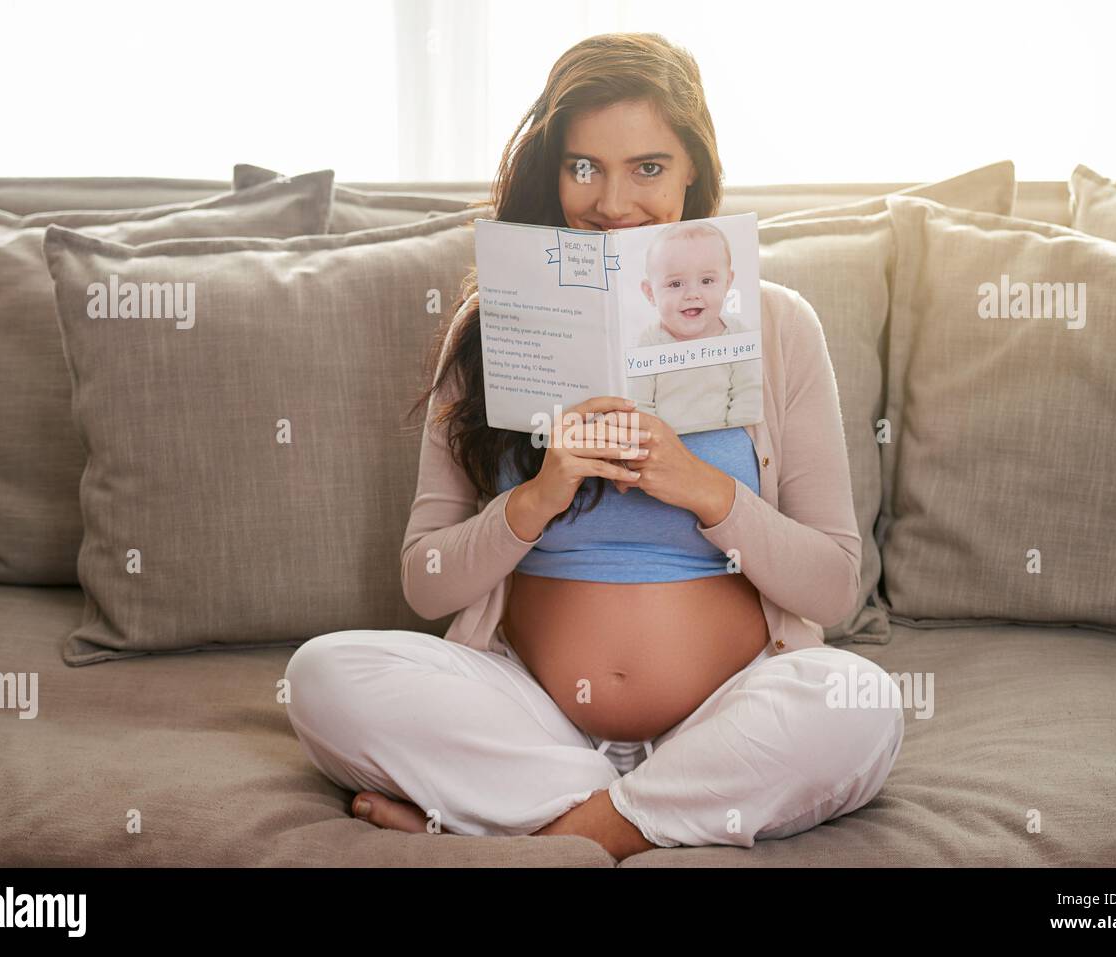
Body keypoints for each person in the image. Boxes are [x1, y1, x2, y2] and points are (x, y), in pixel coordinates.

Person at [283, 31, 904, 863]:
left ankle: (555, 829)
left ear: (694, 171)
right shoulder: (487, 328)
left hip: (726, 711)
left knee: (858, 701)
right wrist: (536, 498)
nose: (613, 202)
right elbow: (425, 582)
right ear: (555, 171)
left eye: (648, 166)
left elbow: (830, 587)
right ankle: (644, 816)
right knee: (324, 675)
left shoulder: (781, 325)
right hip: (530, 714)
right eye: (585, 167)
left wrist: (701, 488)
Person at [629, 219, 764, 431]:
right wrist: (657, 442)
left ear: (727, 283)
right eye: (675, 284)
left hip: (727, 437)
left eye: (707, 281)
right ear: (650, 293)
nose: (692, 294)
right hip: (665, 445)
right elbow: (639, 402)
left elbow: (749, 392)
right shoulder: (650, 341)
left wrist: (735, 435)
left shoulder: (735, 334)